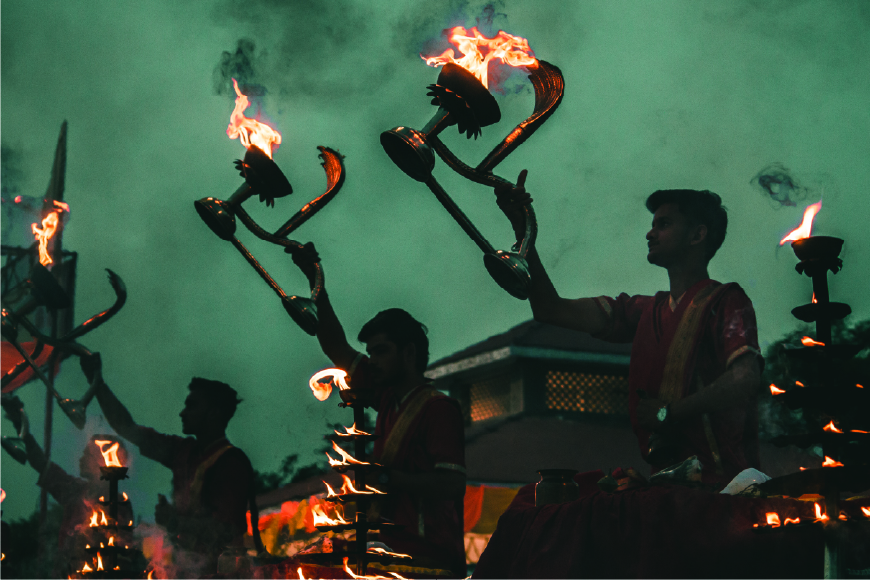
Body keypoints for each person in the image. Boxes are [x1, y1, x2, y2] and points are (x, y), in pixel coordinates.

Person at [493, 170, 762, 484]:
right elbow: (550, 309)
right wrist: (522, 228)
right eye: (652, 225)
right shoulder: (642, 311)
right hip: (664, 484)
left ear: (697, 235)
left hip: (722, 486)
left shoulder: (727, 301)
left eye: (664, 224)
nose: (650, 234)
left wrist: (670, 413)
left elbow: (746, 378)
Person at [291, 244, 467, 578]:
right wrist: (316, 282)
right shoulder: (386, 397)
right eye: (371, 352)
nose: (372, 360)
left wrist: (386, 478)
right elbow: (336, 347)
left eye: (382, 351)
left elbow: (452, 485)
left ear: (409, 352)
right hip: (391, 552)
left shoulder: (439, 409)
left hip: (428, 559)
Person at [84, 353, 258, 576]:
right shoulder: (183, 451)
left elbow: (225, 530)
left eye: (192, 406)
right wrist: (97, 384)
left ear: (214, 413)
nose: (182, 413)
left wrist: (174, 521)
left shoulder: (232, 463)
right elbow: (128, 428)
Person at [1, 395, 133, 578]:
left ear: (105, 461)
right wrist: (19, 422)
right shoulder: (74, 489)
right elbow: (40, 463)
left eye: (87, 455)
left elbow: (118, 557)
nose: (81, 458)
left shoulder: (117, 503)